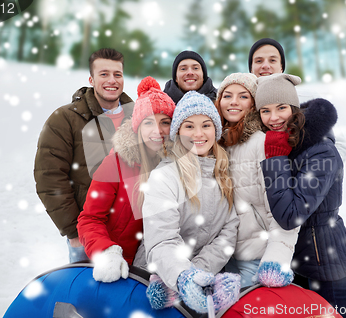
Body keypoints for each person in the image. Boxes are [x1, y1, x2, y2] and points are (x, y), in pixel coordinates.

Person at [257, 73, 346, 318]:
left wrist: (276, 159)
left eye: (281, 108)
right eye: (265, 111)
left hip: (329, 268)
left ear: (295, 107)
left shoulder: (321, 151)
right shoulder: (289, 140)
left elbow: (290, 215)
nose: (274, 118)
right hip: (298, 263)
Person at [142, 91, 240, 314]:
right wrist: (183, 276)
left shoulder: (224, 173)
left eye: (206, 125)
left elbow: (229, 231)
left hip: (201, 282)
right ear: (178, 132)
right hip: (159, 280)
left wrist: (198, 274)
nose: (198, 133)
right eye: (189, 126)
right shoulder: (165, 176)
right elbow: (161, 240)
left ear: (216, 130)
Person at [34, 48, 134, 263]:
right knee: (87, 292)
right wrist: (73, 230)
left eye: (117, 74)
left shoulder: (137, 117)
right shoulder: (65, 119)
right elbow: (49, 176)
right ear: (91, 78)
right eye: (104, 74)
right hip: (87, 233)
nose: (112, 80)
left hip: (132, 233)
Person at [76, 77, 176, 282]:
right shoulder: (115, 164)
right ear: (137, 127)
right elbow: (90, 218)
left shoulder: (177, 168)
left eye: (164, 122)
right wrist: (107, 252)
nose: (157, 131)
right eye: (149, 122)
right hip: (118, 269)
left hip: (157, 272)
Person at [215, 73, 300, 288]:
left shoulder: (262, 143)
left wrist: (275, 260)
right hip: (223, 257)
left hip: (256, 258)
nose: (234, 101)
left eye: (243, 96)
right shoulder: (215, 144)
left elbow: (283, 210)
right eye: (227, 95)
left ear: (253, 105)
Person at [248, 38, 346, 162]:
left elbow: (340, 145)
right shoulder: (242, 103)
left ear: (281, 67)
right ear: (251, 69)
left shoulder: (307, 98)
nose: (265, 65)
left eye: (272, 60)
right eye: (259, 61)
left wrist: (306, 174)